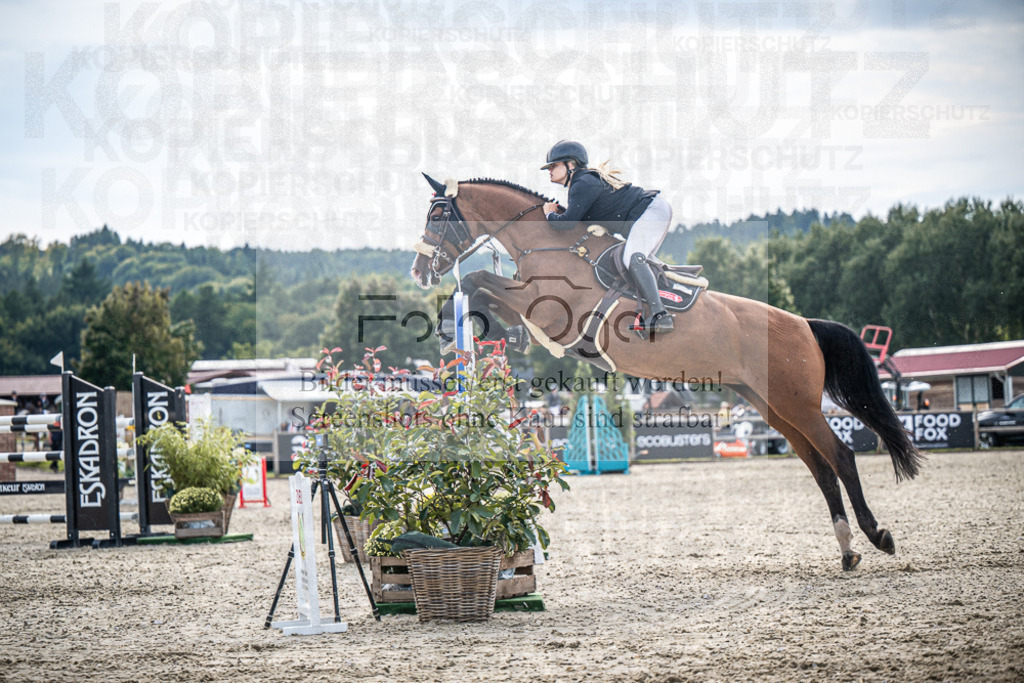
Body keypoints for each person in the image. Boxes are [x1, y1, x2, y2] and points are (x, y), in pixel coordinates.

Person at [541, 140, 675, 333]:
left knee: (632, 259)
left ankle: (660, 315)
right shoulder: (582, 182)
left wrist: (548, 213)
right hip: (649, 214)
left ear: (571, 164)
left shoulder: (582, 183)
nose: (549, 171)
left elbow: (566, 224)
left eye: (553, 165)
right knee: (635, 264)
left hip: (651, 211)